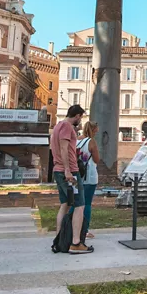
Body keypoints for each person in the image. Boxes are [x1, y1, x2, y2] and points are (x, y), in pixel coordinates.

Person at [50, 105, 93, 254]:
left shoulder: (57, 127)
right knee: (80, 205)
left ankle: (59, 239)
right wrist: (68, 170)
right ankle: (76, 242)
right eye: (80, 117)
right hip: (69, 172)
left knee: (65, 204)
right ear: (77, 116)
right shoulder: (67, 127)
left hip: (58, 170)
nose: (80, 120)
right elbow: (64, 148)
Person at [77, 121, 101, 240]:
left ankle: (73, 227)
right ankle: (84, 230)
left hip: (78, 175)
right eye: (96, 130)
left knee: (76, 203)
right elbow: (96, 159)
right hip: (89, 175)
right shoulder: (91, 142)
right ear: (93, 130)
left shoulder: (76, 140)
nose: (97, 132)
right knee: (87, 203)